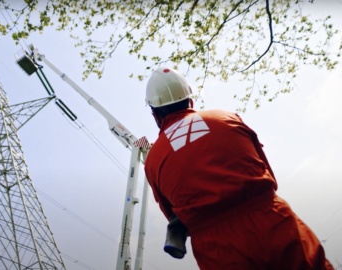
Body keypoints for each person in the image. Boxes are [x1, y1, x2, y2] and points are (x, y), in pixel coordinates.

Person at [143, 67, 334, 270]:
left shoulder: (153, 160)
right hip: (275, 222)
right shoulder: (226, 116)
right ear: (190, 101)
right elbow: (270, 176)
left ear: (155, 115)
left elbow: (172, 214)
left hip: (218, 251)